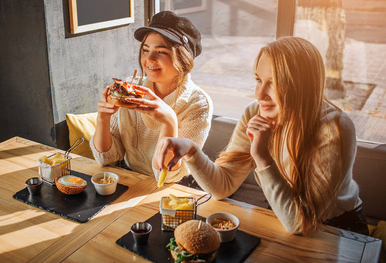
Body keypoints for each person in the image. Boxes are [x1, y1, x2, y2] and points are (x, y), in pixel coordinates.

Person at [154, 36, 369, 236]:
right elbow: (222, 186)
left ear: (301, 86)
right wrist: (191, 150)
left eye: (274, 83)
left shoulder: (335, 128)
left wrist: (262, 157)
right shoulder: (255, 113)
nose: (259, 94)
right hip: (282, 216)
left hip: (338, 228)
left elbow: (299, 223)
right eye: (258, 79)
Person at [90, 11, 213, 183]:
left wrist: (169, 121)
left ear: (183, 59)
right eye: (145, 50)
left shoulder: (198, 104)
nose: (148, 59)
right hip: (130, 179)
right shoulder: (129, 91)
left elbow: (166, 175)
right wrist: (102, 118)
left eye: (161, 52)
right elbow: (106, 159)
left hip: (175, 187)